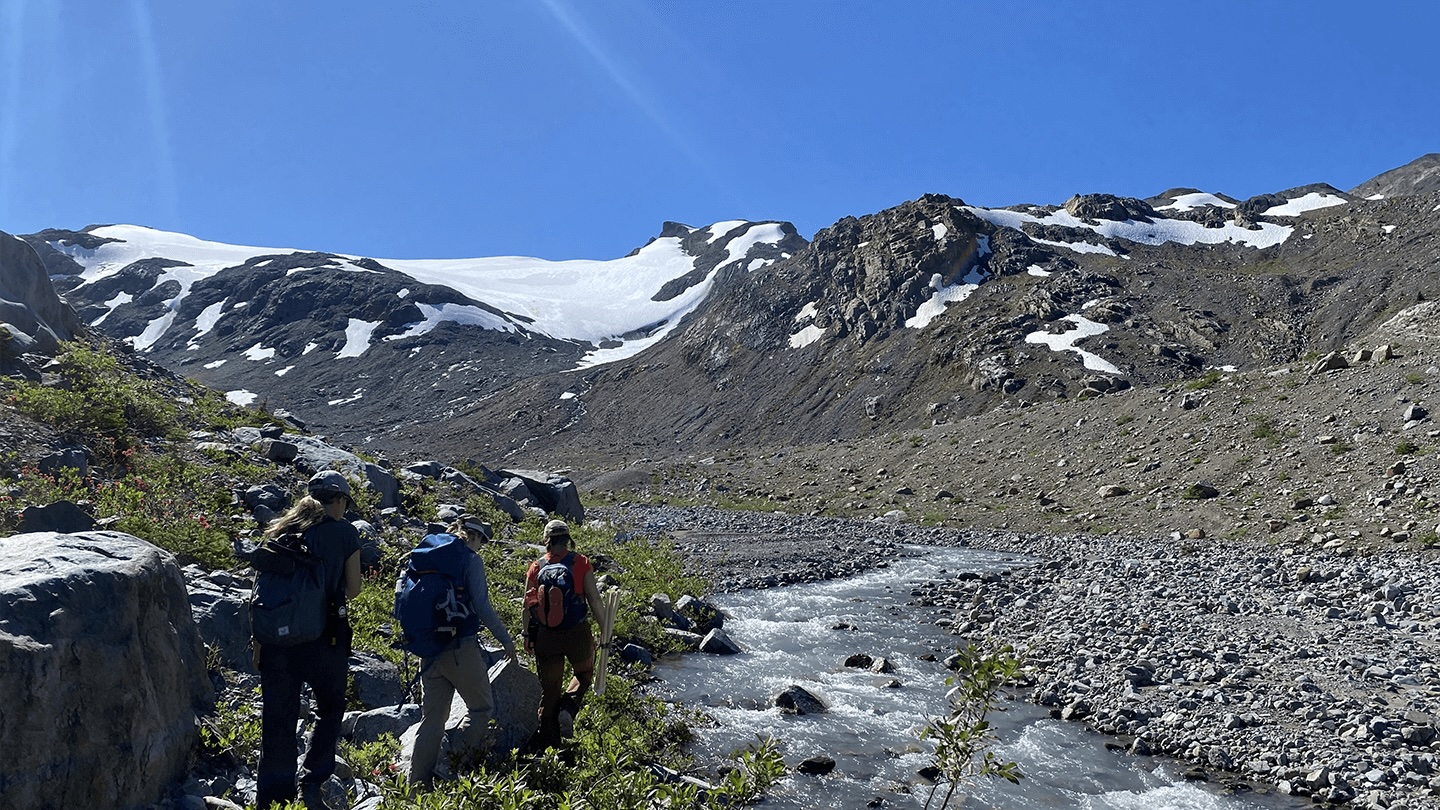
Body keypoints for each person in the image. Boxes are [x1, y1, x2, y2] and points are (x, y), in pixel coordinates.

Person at [255, 471, 363, 810]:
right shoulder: (344, 533)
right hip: (323, 640)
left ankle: (273, 799)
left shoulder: (279, 530)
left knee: (277, 721)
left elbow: (261, 589)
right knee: (330, 708)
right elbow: (355, 588)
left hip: (275, 643)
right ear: (341, 500)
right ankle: (312, 782)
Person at [407, 515, 519, 790]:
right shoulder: (470, 560)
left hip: (429, 648)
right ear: (474, 536)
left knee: (432, 719)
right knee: (481, 708)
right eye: (482, 539)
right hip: (460, 647)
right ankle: (450, 765)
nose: (481, 545)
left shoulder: (429, 555)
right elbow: (481, 605)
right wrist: (506, 640)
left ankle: (416, 784)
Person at [524, 519, 603, 750]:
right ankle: (568, 709)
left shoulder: (536, 567)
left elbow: (527, 604)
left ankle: (549, 746)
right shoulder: (580, 562)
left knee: (549, 691)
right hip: (576, 633)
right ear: (568, 538)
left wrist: (527, 636)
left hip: (546, 636)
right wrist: (607, 629)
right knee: (584, 672)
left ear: (546, 540)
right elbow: (594, 599)